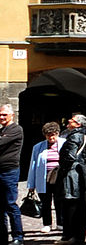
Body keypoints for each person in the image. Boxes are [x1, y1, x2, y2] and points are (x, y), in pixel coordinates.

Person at [57, 114, 86, 245]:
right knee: (75, 204)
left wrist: (62, 168)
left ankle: (72, 236)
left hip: (71, 173)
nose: (69, 121)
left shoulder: (75, 136)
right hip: (76, 172)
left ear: (78, 125)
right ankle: (73, 235)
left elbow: (70, 156)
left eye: (73, 120)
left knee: (72, 204)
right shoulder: (79, 135)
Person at [27, 121, 63, 233]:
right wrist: (31, 184)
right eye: (48, 135)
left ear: (57, 133)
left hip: (59, 178)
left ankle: (60, 223)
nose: (51, 137)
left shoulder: (64, 144)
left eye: (53, 134)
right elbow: (33, 165)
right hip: (43, 178)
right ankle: (47, 223)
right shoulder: (38, 147)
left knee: (60, 201)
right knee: (46, 202)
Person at [0, 104, 24, 245]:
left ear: (12, 115)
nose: (2, 117)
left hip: (9, 171)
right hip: (1, 170)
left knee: (10, 205)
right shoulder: (2, 130)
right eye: (0, 115)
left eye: (4, 114)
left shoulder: (16, 129)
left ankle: (18, 237)